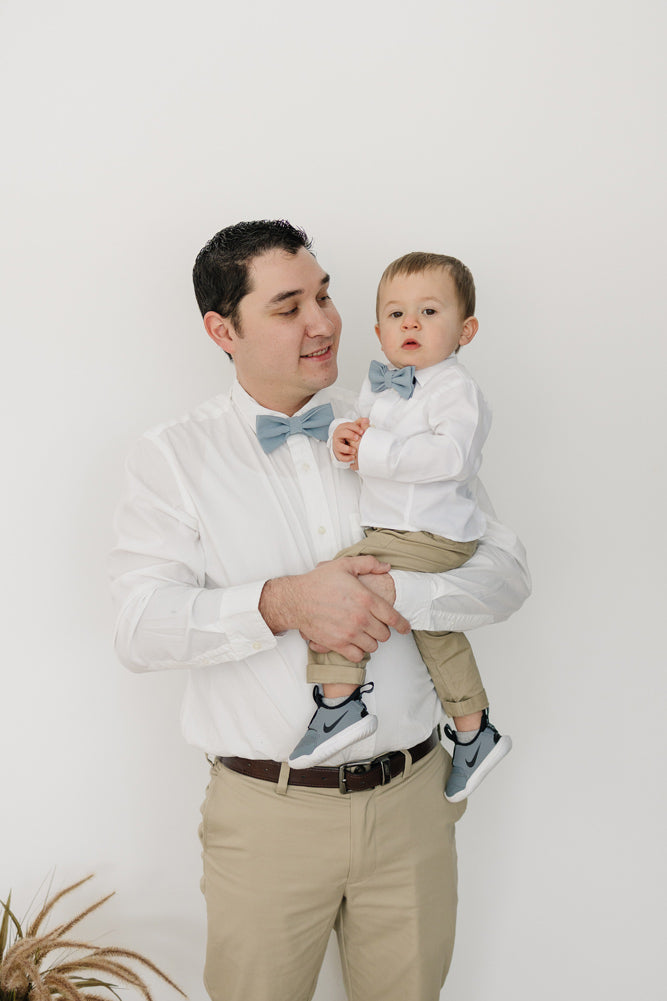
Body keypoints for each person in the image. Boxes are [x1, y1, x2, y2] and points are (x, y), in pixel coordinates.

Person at [109, 220, 530, 1001]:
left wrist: (401, 593)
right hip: (266, 816)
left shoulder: (402, 421)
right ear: (220, 329)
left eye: (327, 294)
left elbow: (504, 574)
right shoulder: (172, 455)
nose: (324, 321)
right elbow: (139, 626)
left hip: (412, 804)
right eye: (287, 306)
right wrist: (283, 602)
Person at [289, 252, 512, 804]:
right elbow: (368, 437)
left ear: (467, 329)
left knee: (338, 587)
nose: (409, 323)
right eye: (395, 314)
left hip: (429, 534)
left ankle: (339, 706)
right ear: (379, 330)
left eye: (428, 310)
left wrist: (374, 449)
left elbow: (451, 457)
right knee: (435, 628)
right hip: (403, 531)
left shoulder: (454, 388)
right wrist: (348, 440)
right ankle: (474, 732)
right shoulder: (386, 385)